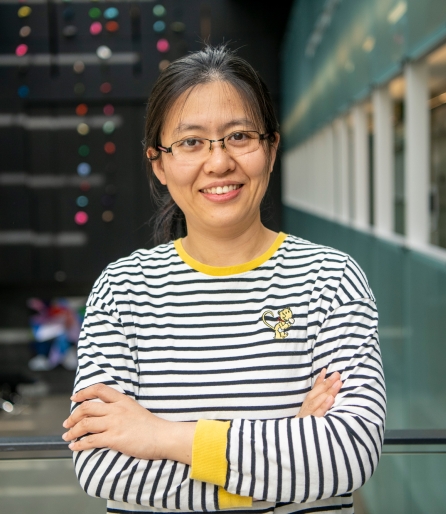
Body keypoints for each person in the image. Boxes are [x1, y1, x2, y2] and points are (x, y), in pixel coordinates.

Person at [63, 45, 385, 514]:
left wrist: (160, 436)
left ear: (271, 148)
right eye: (191, 142)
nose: (218, 163)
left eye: (239, 136)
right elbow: (102, 467)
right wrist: (282, 454)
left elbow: (348, 455)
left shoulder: (332, 280)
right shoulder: (122, 289)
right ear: (159, 163)